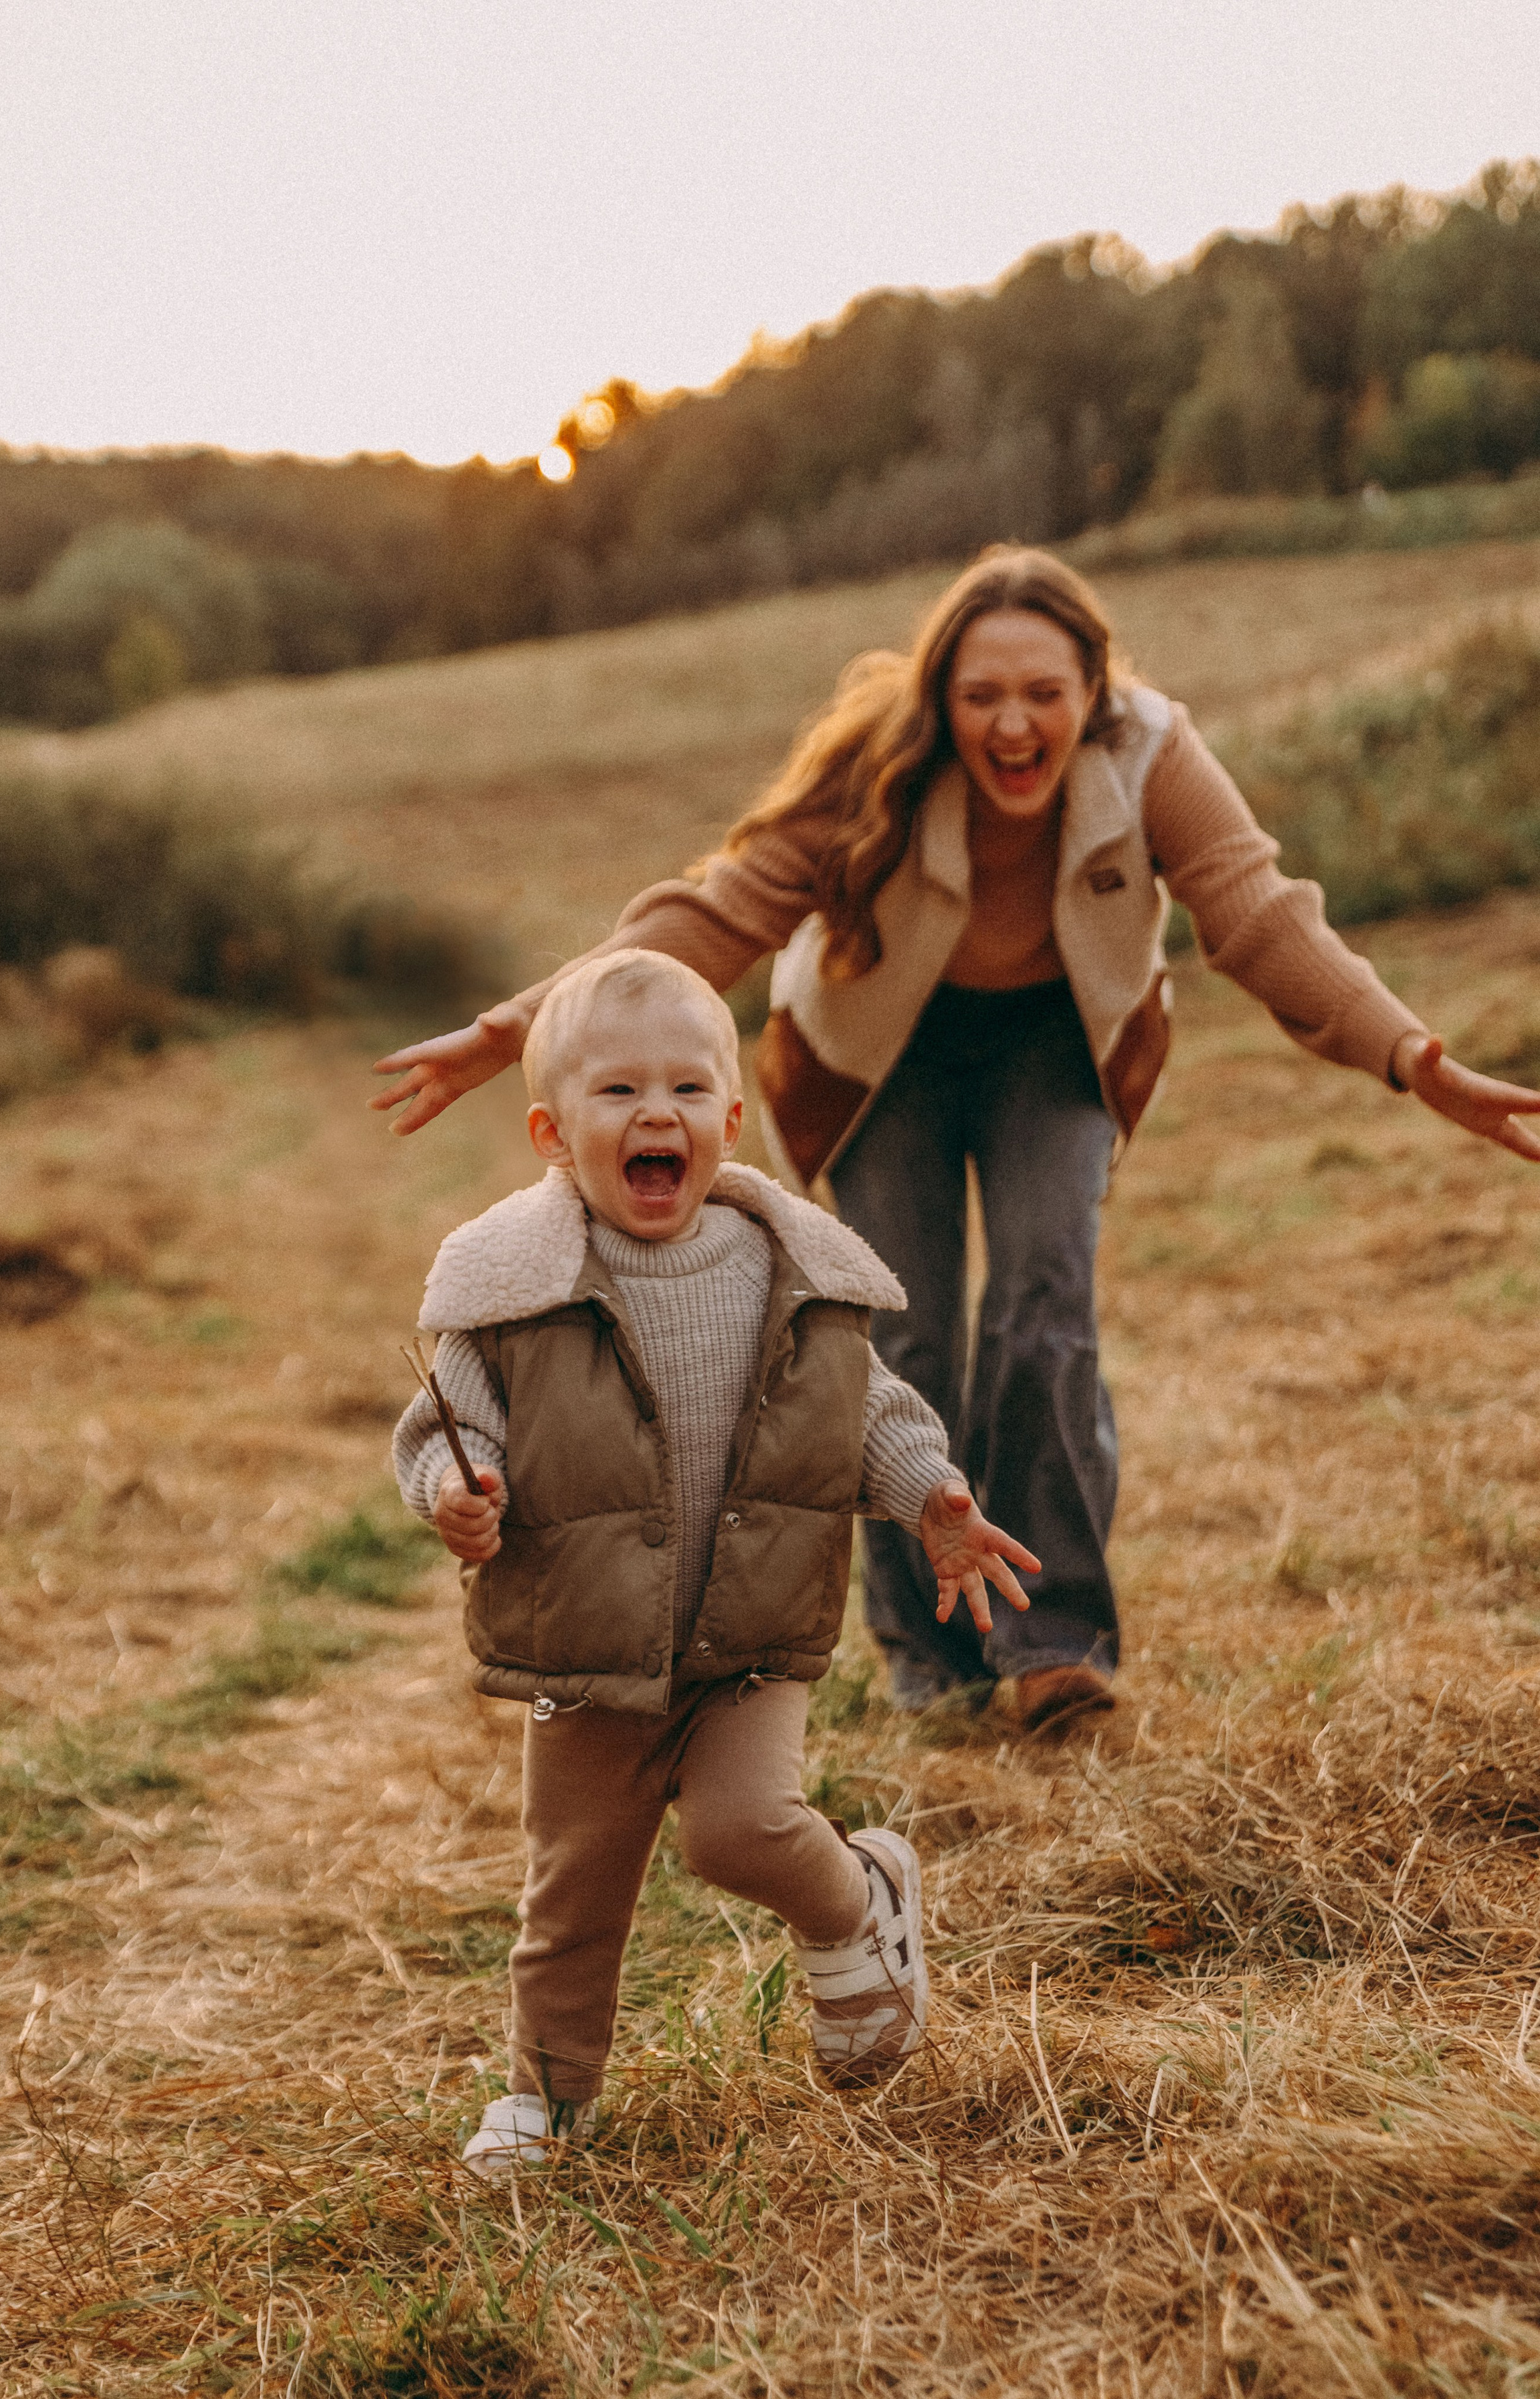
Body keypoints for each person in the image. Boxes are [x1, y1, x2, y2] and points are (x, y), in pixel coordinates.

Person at [377, 547, 1540, 1732]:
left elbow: (1258, 912)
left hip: (1058, 1042)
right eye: (982, 695)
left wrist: (1413, 1056)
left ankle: (1056, 1639)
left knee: (1045, 1304)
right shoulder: (879, 761)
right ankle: (929, 1656)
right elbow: (716, 913)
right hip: (883, 1054)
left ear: (1095, 690)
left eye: (1044, 692)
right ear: (942, 697)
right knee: (899, 1336)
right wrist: (518, 1027)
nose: (1013, 723)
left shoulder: (1151, 754)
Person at [393, 951, 1038, 2173]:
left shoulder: (786, 1271)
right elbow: (448, 1423)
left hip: (750, 1636)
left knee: (739, 1830)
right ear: (552, 1134)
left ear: (730, 1122)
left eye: (688, 1088)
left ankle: (858, 1903)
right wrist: (454, 1493)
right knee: (572, 1888)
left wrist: (931, 1495)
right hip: (586, 1652)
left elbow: (863, 1410)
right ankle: (549, 2097)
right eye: (619, 1091)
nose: (658, 1113)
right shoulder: (518, 1289)